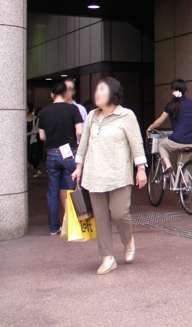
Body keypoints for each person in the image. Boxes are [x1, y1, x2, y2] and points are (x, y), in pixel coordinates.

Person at [72, 77, 147, 275]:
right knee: (101, 217)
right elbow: (84, 142)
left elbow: (136, 143)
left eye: (102, 90)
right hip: (94, 174)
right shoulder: (91, 116)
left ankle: (128, 240)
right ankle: (108, 257)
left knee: (120, 213)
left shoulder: (126, 115)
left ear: (113, 94)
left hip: (119, 174)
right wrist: (78, 166)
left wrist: (141, 169)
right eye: (96, 90)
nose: (97, 93)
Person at [39, 82, 84, 235]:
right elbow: (80, 131)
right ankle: (72, 225)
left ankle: (54, 228)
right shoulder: (73, 109)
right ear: (66, 94)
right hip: (69, 152)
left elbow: (42, 136)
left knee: (53, 192)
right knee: (72, 189)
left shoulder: (45, 112)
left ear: (51, 95)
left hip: (52, 153)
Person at [147, 79, 192, 174]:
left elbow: (160, 121)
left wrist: (151, 127)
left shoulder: (171, 105)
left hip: (178, 139)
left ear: (173, 91)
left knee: (161, 145)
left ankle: (168, 167)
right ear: (185, 90)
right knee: (182, 165)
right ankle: (185, 183)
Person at [26, 102, 40, 176]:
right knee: (27, 155)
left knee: (33, 155)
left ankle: (35, 168)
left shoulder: (36, 119)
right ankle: (32, 166)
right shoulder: (21, 118)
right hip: (24, 140)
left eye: (27, 108)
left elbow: (38, 130)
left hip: (32, 140)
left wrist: (29, 133)